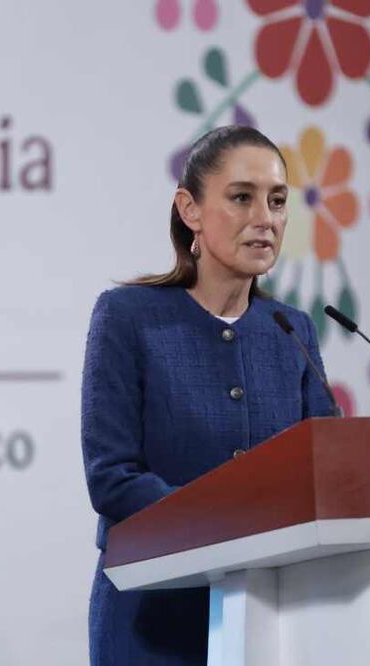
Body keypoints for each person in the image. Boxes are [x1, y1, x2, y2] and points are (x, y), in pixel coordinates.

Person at [81, 125, 337, 664]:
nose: (265, 218)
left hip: (273, 618)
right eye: (242, 197)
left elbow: (327, 475)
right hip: (152, 619)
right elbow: (112, 478)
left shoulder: (292, 330)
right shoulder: (129, 318)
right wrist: (228, 524)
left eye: (277, 201)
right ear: (190, 209)